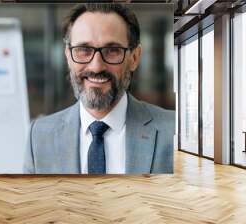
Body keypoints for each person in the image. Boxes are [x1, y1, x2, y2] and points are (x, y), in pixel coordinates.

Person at [24, 3, 174, 174]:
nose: (96, 67)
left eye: (112, 50)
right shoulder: (39, 136)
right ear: (68, 56)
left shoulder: (172, 131)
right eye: (84, 50)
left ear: (134, 57)